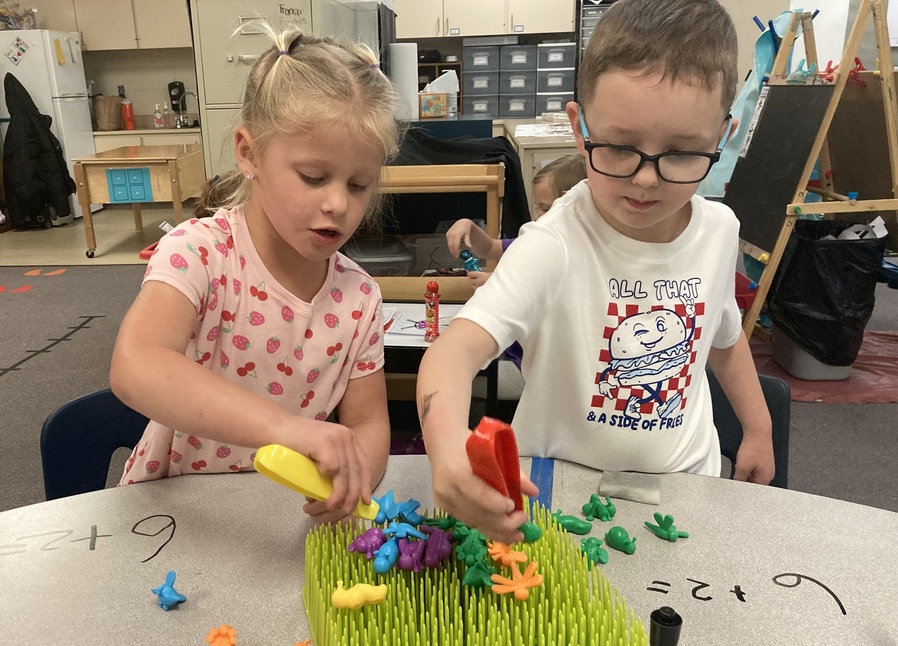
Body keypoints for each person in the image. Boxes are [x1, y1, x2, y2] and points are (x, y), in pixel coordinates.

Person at [416, 0, 775, 543]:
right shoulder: (553, 243)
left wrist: (758, 426)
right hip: (557, 497)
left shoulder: (720, 229)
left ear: (722, 137)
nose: (646, 179)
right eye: (620, 147)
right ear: (579, 128)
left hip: (686, 483)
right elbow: (453, 353)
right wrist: (447, 452)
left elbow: (721, 337)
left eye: (681, 153)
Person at [109, 25, 400, 523]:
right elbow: (136, 364)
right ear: (249, 153)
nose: (337, 204)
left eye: (359, 184)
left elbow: (369, 422)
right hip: (177, 516)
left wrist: (355, 480)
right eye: (313, 177)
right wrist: (285, 428)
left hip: (282, 518)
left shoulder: (359, 297)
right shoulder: (200, 253)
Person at [446, 154, 588, 288]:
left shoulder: (580, 255)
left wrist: (498, 284)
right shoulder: (535, 239)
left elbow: (546, 291)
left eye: (546, 209)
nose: (537, 216)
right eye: (537, 207)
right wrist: (469, 226)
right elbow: (490, 248)